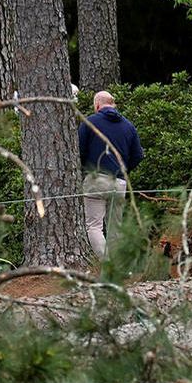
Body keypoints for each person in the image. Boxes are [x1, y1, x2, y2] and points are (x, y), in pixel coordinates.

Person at [77, 90, 144, 259]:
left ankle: (106, 262)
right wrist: (123, 170)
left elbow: (79, 151)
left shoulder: (89, 122)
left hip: (95, 179)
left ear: (97, 105)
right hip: (119, 182)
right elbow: (138, 155)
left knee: (94, 226)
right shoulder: (128, 126)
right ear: (113, 104)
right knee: (115, 227)